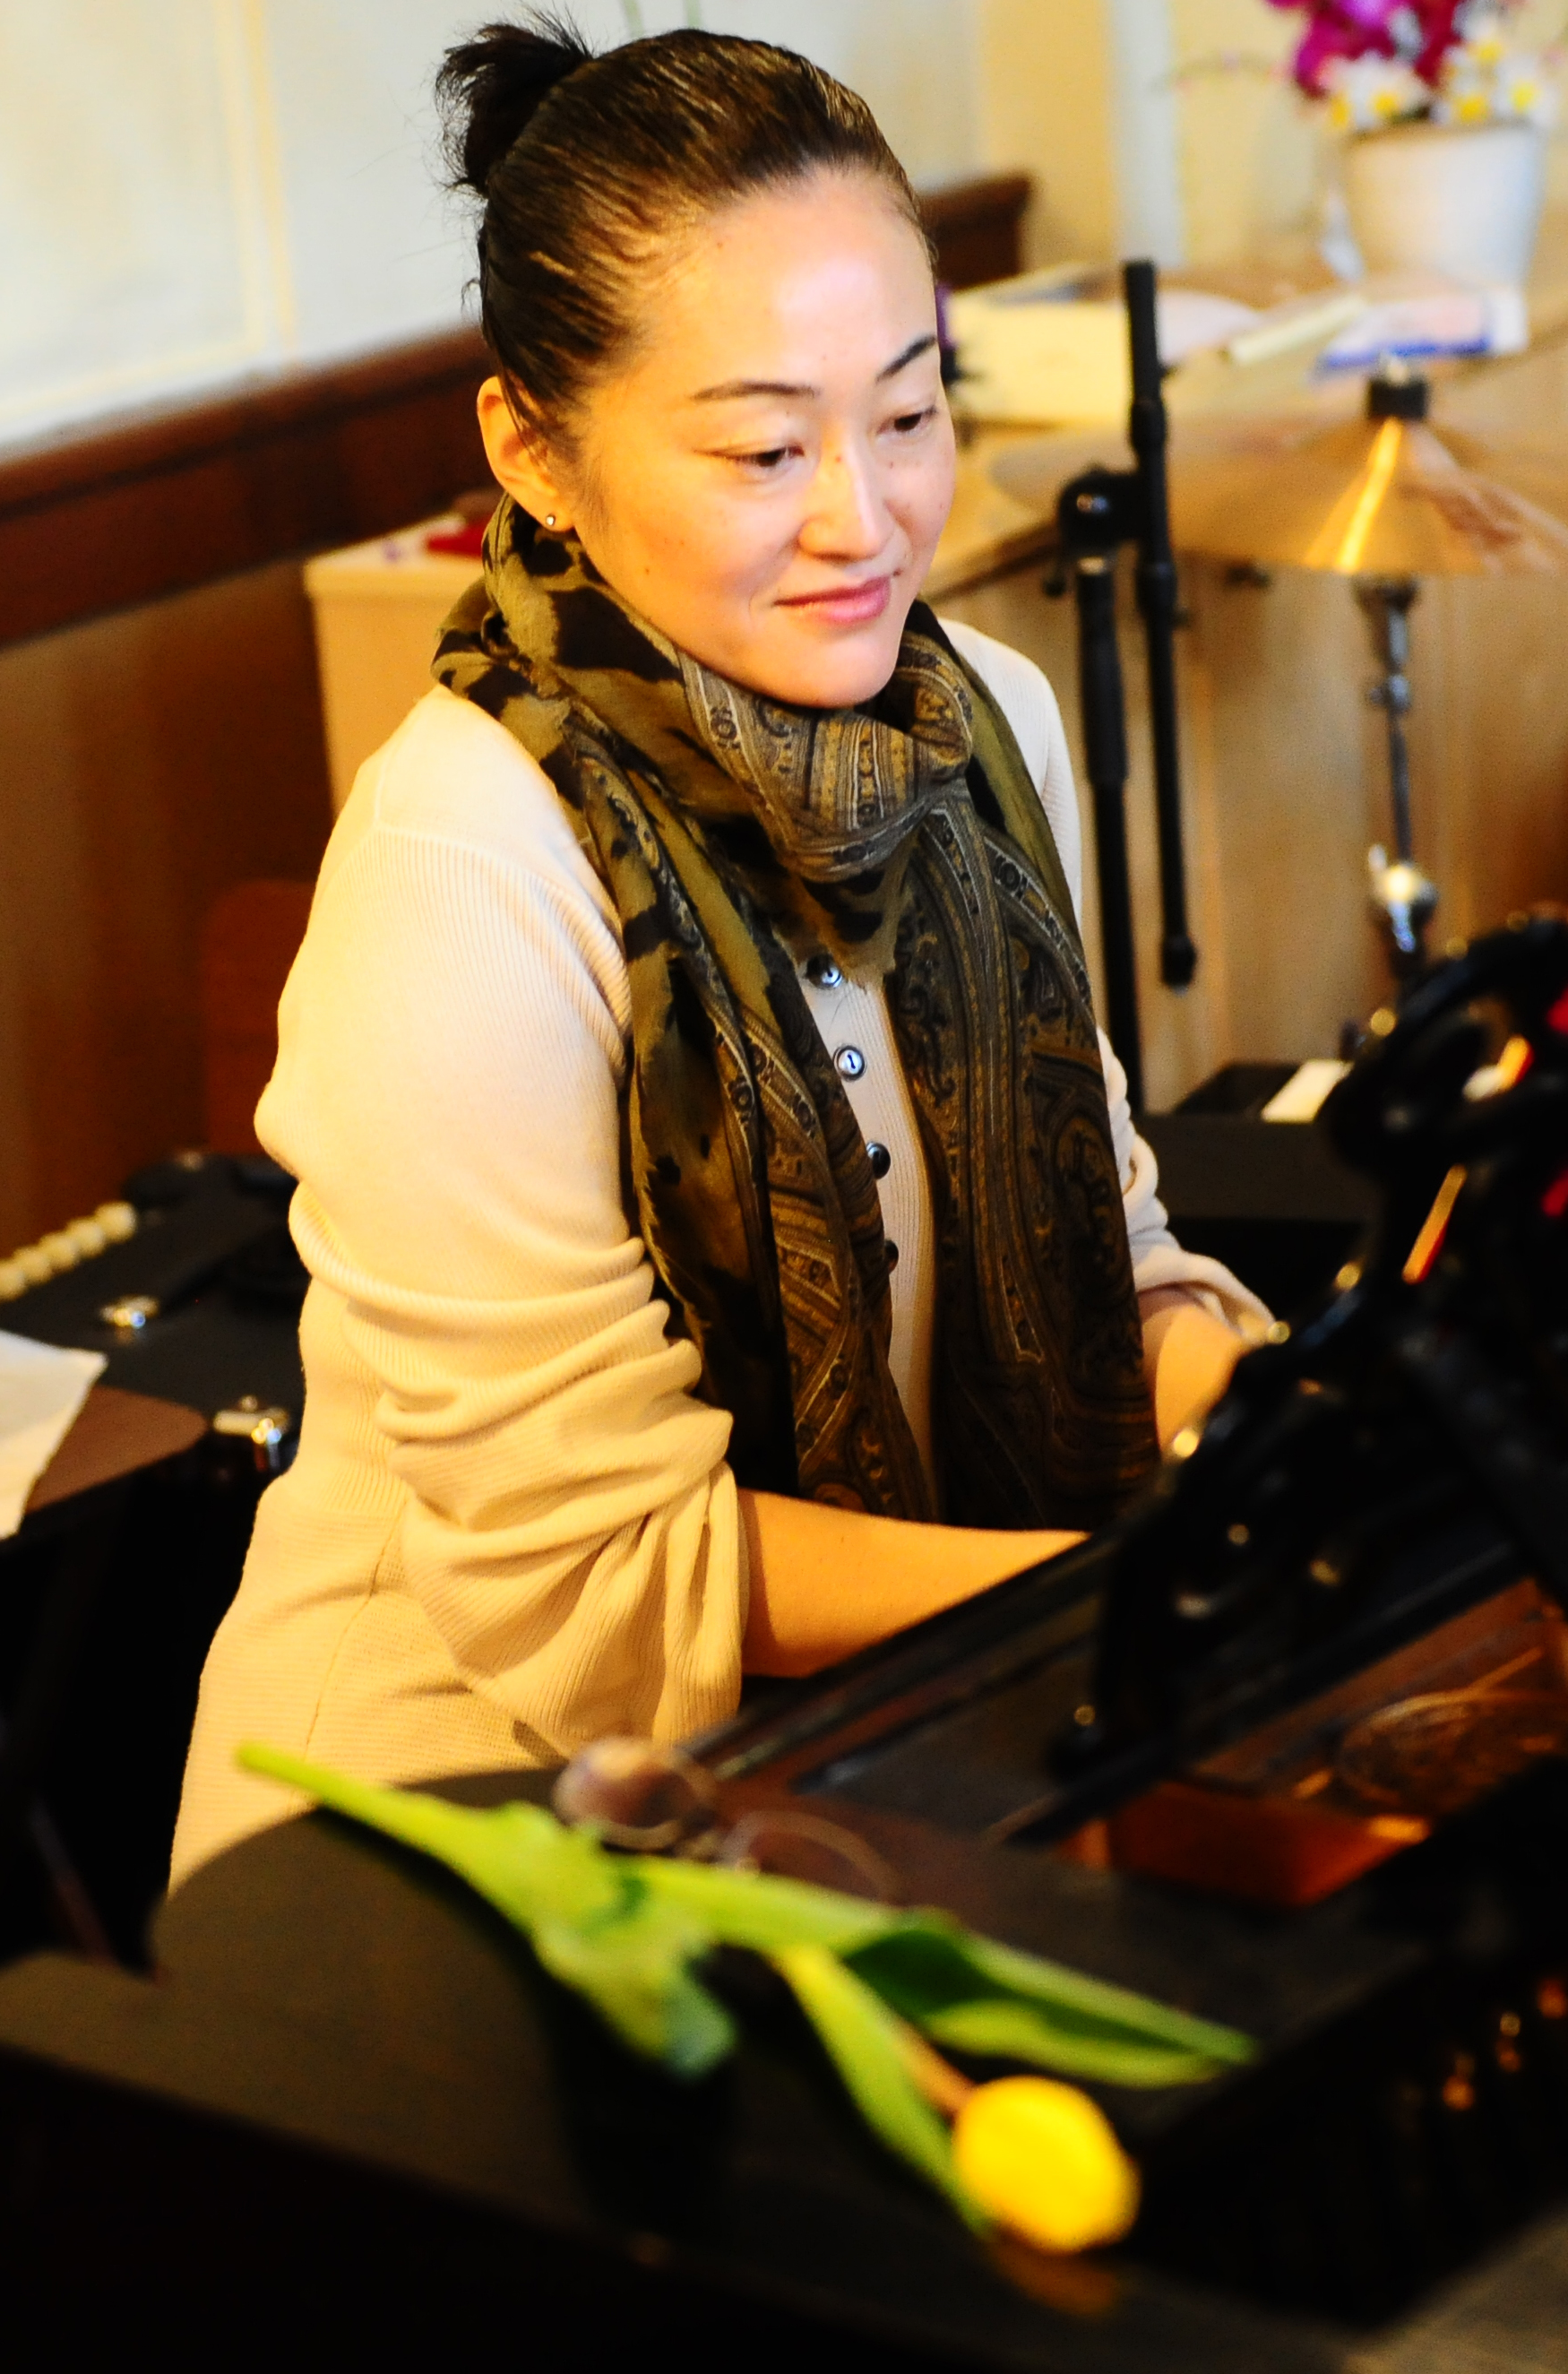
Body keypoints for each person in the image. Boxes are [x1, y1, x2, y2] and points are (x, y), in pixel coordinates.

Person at [170, 21, 1266, 1880]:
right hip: (459, 1839)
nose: (865, 518)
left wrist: (1259, 1424)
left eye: (908, 416)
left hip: (878, 1772)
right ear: (532, 450)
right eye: (765, 447)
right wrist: (1104, 1596)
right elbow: (611, 1577)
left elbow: (1114, 1250)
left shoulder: (986, 724)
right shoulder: (470, 864)